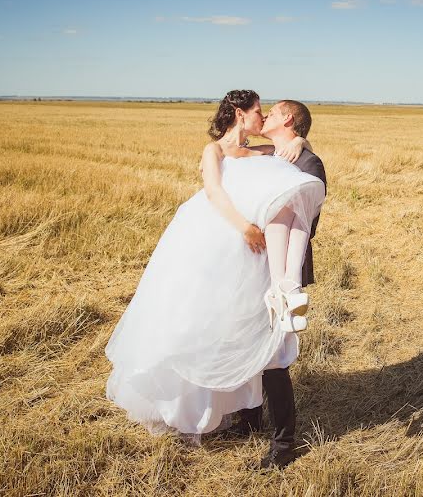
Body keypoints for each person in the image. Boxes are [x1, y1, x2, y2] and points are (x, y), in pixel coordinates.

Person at [104, 90, 326, 448]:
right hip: (218, 246)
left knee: (260, 342)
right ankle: (237, 415)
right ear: (240, 114)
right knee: (219, 330)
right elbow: (214, 193)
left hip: (253, 257)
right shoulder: (215, 151)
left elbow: (294, 162)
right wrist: (245, 227)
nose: (262, 117)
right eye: (258, 111)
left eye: (268, 113)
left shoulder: (262, 151)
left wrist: (300, 137)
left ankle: (279, 437)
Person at [223, 100, 327, 470]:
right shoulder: (273, 154)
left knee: (274, 358)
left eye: (272, 111)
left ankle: (284, 444)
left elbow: (306, 227)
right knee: (248, 341)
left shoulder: (309, 163)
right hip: (251, 266)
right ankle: (248, 419)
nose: (263, 116)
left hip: (280, 273)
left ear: (288, 119)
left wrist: (304, 146)